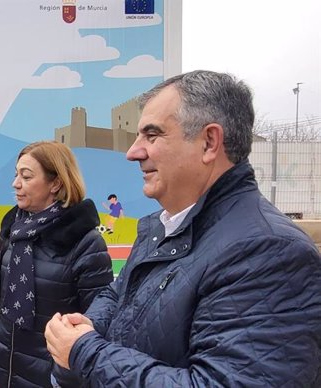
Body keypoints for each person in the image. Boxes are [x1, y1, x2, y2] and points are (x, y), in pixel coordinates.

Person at [45, 70, 321, 387]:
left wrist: (84, 352)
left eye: (152, 135)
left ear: (209, 142)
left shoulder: (268, 252)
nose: (133, 152)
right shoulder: (163, 227)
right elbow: (120, 294)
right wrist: (86, 325)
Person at [0, 141, 114, 387]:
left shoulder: (85, 241)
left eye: (26, 176)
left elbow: (99, 317)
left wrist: (64, 368)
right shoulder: (13, 227)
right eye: (16, 174)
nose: (15, 183)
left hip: (50, 375)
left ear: (56, 183)